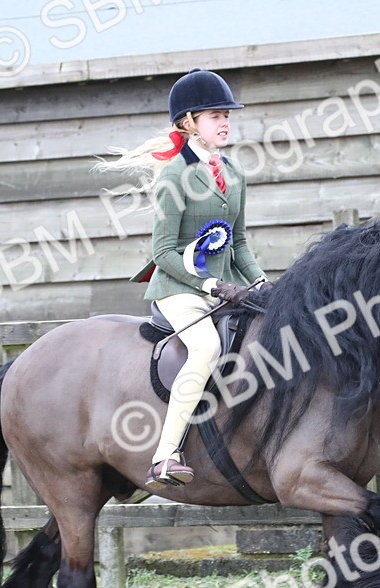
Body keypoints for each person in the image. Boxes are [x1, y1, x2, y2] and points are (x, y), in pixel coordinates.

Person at [100, 68, 267, 489]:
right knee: (206, 347)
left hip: (228, 287)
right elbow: (162, 253)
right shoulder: (175, 175)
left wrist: (262, 284)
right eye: (215, 115)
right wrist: (208, 285)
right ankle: (164, 455)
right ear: (188, 122)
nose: (225, 121)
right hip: (180, 289)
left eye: (227, 114)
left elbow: (240, 242)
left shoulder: (234, 172)